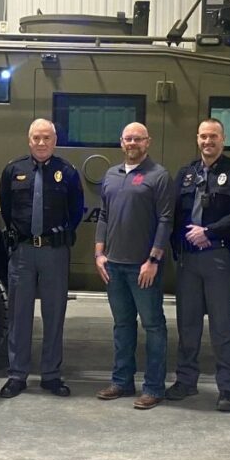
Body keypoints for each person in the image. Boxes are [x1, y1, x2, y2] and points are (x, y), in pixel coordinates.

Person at [0, 119, 84, 398]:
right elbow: (7, 210)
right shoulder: (14, 170)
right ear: (29, 139)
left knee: (54, 314)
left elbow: (76, 210)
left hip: (54, 252)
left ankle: (51, 375)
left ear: (54, 140)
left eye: (46, 138)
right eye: (36, 137)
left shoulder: (67, 172)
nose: (41, 143)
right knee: (19, 315)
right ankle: (17, 374)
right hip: (23, 251)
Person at [166, 118, 230, 411]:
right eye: (203, 136)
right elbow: (174, 213)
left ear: (223, 140)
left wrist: (209, 232)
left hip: (218, 256)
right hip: (189, 259)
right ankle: (186, 381)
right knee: (187, 325)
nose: (207, 141)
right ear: (197, 139)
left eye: (213, 136)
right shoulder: (187, 173)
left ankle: (227, 388)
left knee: (223, 327)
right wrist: (178, 244)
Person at [94, 122, 173, 410]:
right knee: (122, 325)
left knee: (153, 326)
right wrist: (99, 253)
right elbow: (103, 214)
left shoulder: (159, 176)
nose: (132, 143)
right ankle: (122, 381)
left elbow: (166, 219)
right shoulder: (111, 175)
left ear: (147, 142)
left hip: (143, 268)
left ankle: (154, 388)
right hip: (113, 266)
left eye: (138, 139)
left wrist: (153, 260)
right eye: (128, 138)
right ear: (121, 142)